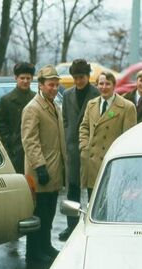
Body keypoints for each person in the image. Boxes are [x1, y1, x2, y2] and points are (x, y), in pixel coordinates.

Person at [21, 64, 66, 263]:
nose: (54, 89)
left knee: (49, 212)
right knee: (38, 212)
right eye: (50, 85)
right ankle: (34, 250)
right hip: (41, 170)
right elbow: (30, 140)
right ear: (40, 85)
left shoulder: (55, 105)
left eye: (56, 85)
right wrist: (39, 167)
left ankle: (45, 245)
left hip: (55, 168)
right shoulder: (33, 108)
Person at [59, 59, 100, 241]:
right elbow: (66, 119)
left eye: (81, 77)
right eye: (75, 78)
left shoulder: (97, 94)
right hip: (73, 148)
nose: (78, 81)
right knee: (73, 188)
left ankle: (92, 225)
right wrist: (69, 138)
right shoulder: (67, 95)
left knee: (93, 188)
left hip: (91, 147)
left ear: (88, 76)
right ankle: (71, 226)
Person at [79, 71, 137, 198]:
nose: (104, 87)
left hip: (112, 163)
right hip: (92, 163)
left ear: (114, 85)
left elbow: (128, 138)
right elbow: (84, 127)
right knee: (93, 200)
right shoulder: (91, 104)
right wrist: (84, 147)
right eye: (101, 84)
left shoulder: (127, 107)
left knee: (111, 201)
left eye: (107, 84)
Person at [0, 62, 36, 173]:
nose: (25, 81)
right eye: (22, 78)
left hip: (33, 149)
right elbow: (1, 125)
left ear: (32, 78)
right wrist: (10, 142)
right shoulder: (6, 100)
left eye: (28, 78)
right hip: (15, 151)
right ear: (16, 78)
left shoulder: (36, 99)